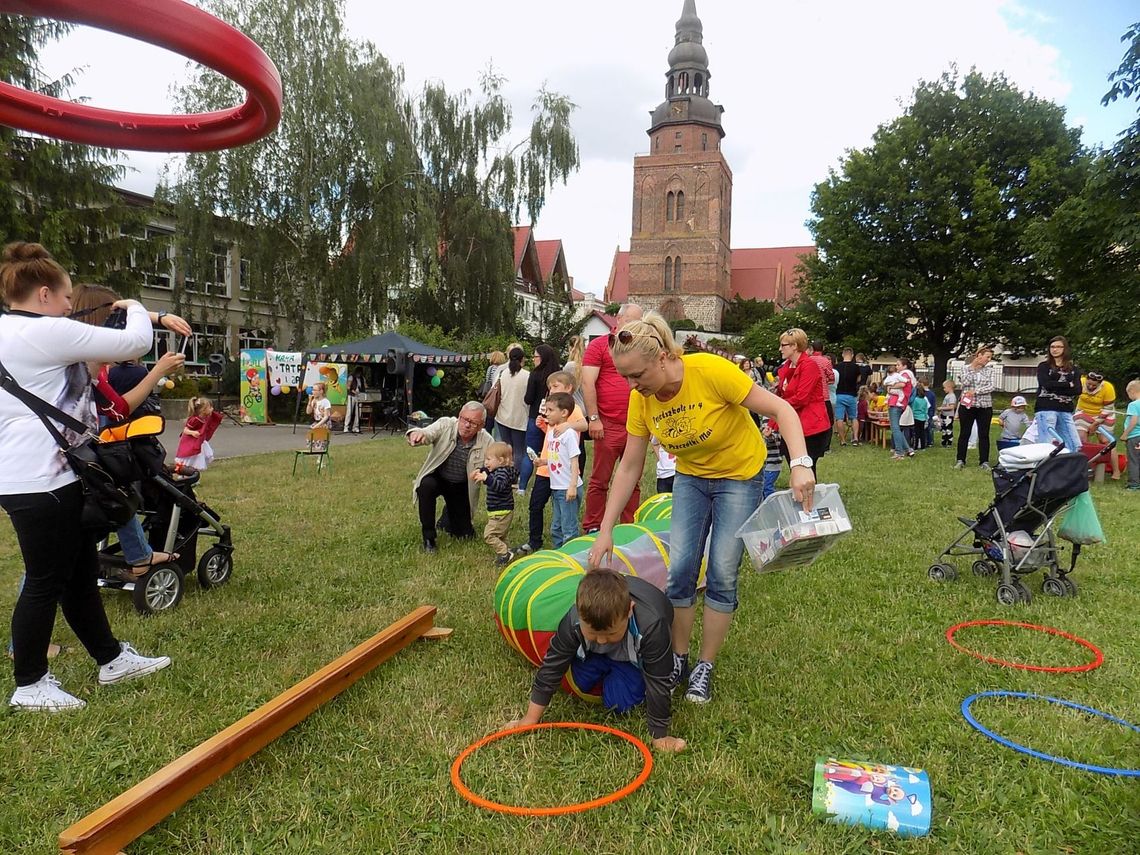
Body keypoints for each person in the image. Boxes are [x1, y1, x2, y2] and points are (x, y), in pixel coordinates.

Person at [587, 314, 816, 705]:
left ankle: (704, 666)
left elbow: (783, 410)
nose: (632, 385)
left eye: (637, 375)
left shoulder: (709, 371)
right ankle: (678, 657)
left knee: (722, 571)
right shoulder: (640, 399)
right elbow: (629, 466)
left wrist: (800, 464)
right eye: (625, 377)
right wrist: (606, 527)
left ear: (662, 357)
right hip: (691, 478)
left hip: (740, 477)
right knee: (679, 572)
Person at [0, 241, 171, 712]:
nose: (70, 306)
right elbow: (134, 343)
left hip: (30, 477)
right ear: (43, 295)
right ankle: (30, 683)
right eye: (67, 298)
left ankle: (111, 658)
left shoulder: (8, 332)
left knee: (78, 573)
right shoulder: (43, 333)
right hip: (43, 480)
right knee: (44, 581)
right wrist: (138, 307)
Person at [69, 283, 189, 575]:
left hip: (73, 465)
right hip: (65, 469)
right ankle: (138, 557)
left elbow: (116, 407)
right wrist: (157, 372)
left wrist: (158, 317)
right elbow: (119, 408)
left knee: (116, 493)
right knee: (51, 560)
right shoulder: (82, 369)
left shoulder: (90, 366)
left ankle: (138, 555)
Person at [507, 568, 685, 753]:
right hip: (595, 655)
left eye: (610, 634)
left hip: (633, 659)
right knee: (580, 682)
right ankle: (604, 661)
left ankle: (625, 673)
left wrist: (660, 736)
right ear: (579, 612)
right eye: (592, 633)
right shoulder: (573, 619)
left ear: (629, 611)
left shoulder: (652, 626)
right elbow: (552, 666)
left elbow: (658, 681)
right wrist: (530, 718)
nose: (601, 640)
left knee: (620, 703)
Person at [582, 303, 645, 533]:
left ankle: (629, 526)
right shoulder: (599, 346)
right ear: (618, 320)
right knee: (601, 479)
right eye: (631, 321)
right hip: (608, 423)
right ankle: (593, 526)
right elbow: (588, 382)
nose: (635, 327)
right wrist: (594, 418)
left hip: (635, 425)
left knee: (633, 481)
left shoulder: (639, 349)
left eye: (639, 323)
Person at [514, 371, 587, 558]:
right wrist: (544, 428)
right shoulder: (554, 425)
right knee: (552, 519)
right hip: (553, 478)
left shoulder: (571, 415)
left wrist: (568, 426)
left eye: (555, 386)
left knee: (567, 524)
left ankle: (571, 557)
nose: (550, 390)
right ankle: (551, 550)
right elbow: (557, 453)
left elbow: (583, 428)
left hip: (566, 484)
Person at [406, 402, 493, 552]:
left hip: (461, 486)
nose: (466, 425)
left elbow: (495, 463)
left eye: (473, 423)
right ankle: (429, 538)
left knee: (464, 535)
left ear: (481, 426)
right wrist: (417, 434)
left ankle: (447, 518)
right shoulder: (446, 424)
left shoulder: (487, 441)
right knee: (425, 486)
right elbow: (428, 432)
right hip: (438, 477)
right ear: (459, 416)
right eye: (464, 419)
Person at [775, 328, 831, 473]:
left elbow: (801, 398)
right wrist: (773, 421)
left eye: (783, 345)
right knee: (794, 466)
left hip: (810, 425)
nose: (780, 349)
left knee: (805, 469)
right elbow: (784, 396)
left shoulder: (809, 365)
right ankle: (799, 495)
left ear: (795, 346)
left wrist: (775, 410)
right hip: (793, 422)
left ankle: (807, 496)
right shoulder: (787, 367)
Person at [537, 392, 582, 548]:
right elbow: (557, 457)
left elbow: (574, 461)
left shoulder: (568, 434)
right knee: (556, 527)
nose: (546, 413)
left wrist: (572, 486)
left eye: (550, 410)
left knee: (568, 527)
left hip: (567, 488)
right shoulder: (551, 433)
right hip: (556, 488)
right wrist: (543, 461)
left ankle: (571, 556)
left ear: (563, 413)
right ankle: (559, 553)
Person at [470, 441, 519, 566]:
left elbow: (499, 486)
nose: (486, 462)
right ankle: (506, 552)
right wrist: (478, 470)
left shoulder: (502, 473)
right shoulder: (497, 470)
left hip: (501, 511)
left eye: (489, 459)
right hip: (499, 511)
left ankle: (505, 553)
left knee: (489, 535)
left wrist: (486, 478)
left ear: (501, 461)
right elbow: (487, 470)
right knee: (500, 535)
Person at [519, 343, 559, 494]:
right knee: (553, 452)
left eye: (535, 356)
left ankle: (522, 487)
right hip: (555, 420)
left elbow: (528, 399)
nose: (533, 359)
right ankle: (551, 482)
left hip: (536, 417)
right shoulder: (558, 374)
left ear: (541, 358)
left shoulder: (535, 374)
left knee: (530, 452)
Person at [1033, 336, 1082, 454]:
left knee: (1074, 444)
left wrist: (1058, 386)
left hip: (1065, 409)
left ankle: (1068, 469)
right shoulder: (1044, 366)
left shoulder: (1074, 369)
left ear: (1065, 349)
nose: (1055, 349)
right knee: (1046, 443)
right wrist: (1067, 385)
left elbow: (1077, 390)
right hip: (1046, 407)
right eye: (1052, 347)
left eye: (1059, 347)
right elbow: (1046, 385)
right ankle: (1044, 470)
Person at [954, 346, 997, 470]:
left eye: (990, 357)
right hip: (968, 406)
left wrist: (976, 391)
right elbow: (965, 383)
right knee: (964, 433)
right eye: (987, 357)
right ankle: (960, 459)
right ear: (979, 355)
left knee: (984, 434)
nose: (988, 360)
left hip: (985, 406)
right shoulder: (964, 369)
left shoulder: (990, 371)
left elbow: (991, 387)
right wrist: (973, 368)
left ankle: (984, 461)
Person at [1075, 371, 1120, 477]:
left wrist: (1095, 423)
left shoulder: (1108, 388)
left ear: (1100, 383)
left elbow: (1108, 409)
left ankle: (1116, 471)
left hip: (1104, 414)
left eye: (1094, 385)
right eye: (1088, 384)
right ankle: (1086, 468)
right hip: (1083, 413)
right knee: (1081, 439)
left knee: (1106, 441)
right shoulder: (1080, 382)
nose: (1090, 386)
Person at [494, 347, 530, 474]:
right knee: (519, 451)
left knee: (506, 448)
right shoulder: (527, 375)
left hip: (503, 416)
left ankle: (504, 473)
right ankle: (515, 477)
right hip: (520, 418)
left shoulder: (503, 373)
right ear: (522, 359)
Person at [175, 396, 223, 472]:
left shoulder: (204, 418)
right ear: (203, 410)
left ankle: (194, 473)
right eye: (210, 407)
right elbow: (185, 430)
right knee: (190, 459)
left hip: (198, 442)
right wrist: (193, 432)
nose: (212, 409)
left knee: (199, 457)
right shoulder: (195, 420)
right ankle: (184, 474)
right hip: (190, 443)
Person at [883, 359, 915, 460]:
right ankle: (908, 449)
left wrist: (890, 386)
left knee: (895, 428)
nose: (896, 367)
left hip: (896, 403)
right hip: (900, 403)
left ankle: (899, 452)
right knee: (897, 429)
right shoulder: (905, 374)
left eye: (898, 365)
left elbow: (902, 384)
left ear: (904, 366)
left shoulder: (905, 374)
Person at [834, 348, 861, 447]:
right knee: (854, 417)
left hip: (839, 394)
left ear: (842, 354)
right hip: (852, 395)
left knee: (839, 418)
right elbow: (858, 379)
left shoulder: (837, 367)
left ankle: (842, 440)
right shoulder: (856, 367)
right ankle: (855, 438)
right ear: (852, 355)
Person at [481, 351, 506, 439]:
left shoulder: (490, 368)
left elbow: (488, 381)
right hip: (498, 397)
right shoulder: (503, 369)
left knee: (489, 420)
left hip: (491, 396)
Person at [1121, 379, 1140, 491]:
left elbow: (1133, 421)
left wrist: (1125, 434)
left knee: (1133, 459)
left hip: (1134, 436)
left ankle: (1134, 484)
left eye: (1128, 394)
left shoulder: (1133, 405)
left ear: (1132, 391)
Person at [344, 368, 366, 434]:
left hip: (360, 396)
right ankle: (346, 427)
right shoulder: (351, 377)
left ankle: (356, 427)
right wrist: (353, 391)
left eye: (360, 373)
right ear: (356, 372)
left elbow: (365, 385)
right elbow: (348, 386)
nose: (359, 374)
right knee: (349, 411)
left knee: (358, 412)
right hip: (352, 396)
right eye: (358, 373)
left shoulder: (362, 378)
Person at [939, 379, 957, 447]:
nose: (944, 389)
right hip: (944, 415)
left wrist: (942, 408)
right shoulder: (947, 396)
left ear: (949, 387)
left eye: (944, 387)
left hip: (948, 416)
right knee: (944, 429)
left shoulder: (952, 396)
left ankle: (949, 442)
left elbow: (951, 407)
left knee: (948, 429)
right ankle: (944, 441)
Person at [911, 383, 929, 451]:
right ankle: (923, 447)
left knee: (916, 433)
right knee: (922, 433)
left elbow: (913, 409)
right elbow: (926, 410)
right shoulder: (924, 400)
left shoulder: (915, 400)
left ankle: (915, 447)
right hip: (923, 418)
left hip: (916, 417)